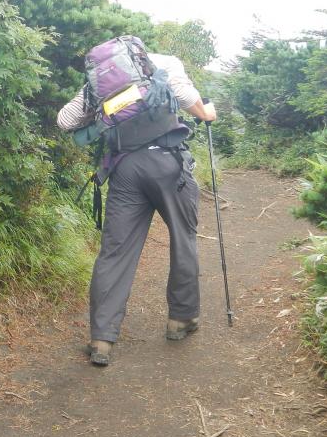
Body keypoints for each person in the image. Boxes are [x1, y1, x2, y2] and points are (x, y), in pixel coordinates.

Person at [57, 52, 217, 366]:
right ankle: (180, 319)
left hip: (125, 169)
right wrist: (206, 113)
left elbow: (65, 120)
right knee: (183, 239)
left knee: (115, 252)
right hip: (169, 163)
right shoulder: (165, 63)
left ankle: (101, 339)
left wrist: (106, 112)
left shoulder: (102, 80)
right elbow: (186, 96)